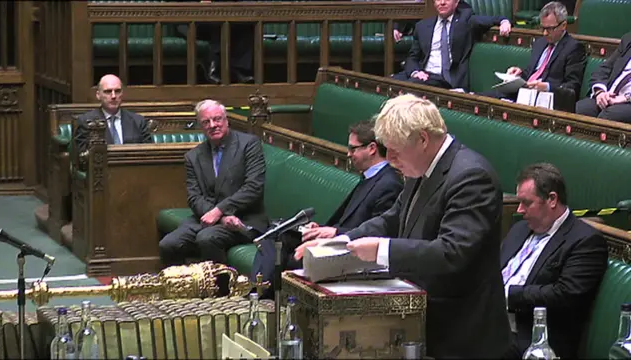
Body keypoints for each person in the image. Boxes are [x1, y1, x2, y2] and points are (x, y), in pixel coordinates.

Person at [295, 94, 510, 358]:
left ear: (422, 139)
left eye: (395, 150)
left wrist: (381, 250)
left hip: (463, 332)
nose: (390, 159)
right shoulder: (420, 167)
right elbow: (393, 217)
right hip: (423, 322)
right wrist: (339, 240)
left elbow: (452, 252)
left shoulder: (471, 177)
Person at [250, 120, 403, 296]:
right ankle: (259, 292)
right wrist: (322, 229)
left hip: (349, 251)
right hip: (338, 238)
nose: (348, 153)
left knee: (289, 254)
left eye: (353, 149)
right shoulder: (370, 177)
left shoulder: (389, 184)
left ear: (371, 148)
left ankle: (258, 295)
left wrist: (335, 232)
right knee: (277, 232)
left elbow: (377, 233)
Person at [159, 100, 269, 290]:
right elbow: (194, 197)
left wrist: (220, 211)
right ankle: (180, 290)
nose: (213, 125)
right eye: (206, 122)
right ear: (201, 126)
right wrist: (219, 217)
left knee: (207, 238)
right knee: (169, 244)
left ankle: (220, 293)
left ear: (226, 120)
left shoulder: (248, 145)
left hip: (244, 219)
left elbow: (253, 187)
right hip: (207, 218)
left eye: (217, 119)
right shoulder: (193, 156)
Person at [501, 163, 608, 359]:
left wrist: (507, 294)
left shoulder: (585, 241)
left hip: (531, 338)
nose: (519, 210)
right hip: (492, 322)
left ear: (551, 199)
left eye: (526, 203)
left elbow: (564, 294)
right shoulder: (520, 229)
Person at [392, 0, 512, 90]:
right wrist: (416, 72)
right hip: (423, 76)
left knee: (411, 88)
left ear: (456, 2)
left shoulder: (466, 20)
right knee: (388, 83)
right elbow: (413, 57)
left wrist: (504, 21)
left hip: (447, 80)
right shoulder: (423, 26)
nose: (442, 2)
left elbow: (492, 19)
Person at [482, 2, 586, 102]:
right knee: (482, 98)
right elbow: (531, 73)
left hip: (544, 99)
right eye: (543, 28)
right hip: (522, 93)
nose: (545, 33)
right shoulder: (539, 43)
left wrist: (546, 87)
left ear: (563, 25)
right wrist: (519, 74)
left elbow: (572, 86)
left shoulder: (574, 48)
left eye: (550, 29)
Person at [75, 74, 152, 153]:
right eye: (108, 91)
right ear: (98, 95)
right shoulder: (86, 122)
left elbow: (148, 153)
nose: (113, 96)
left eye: (117, 91)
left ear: (122, 94)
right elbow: (81, 155)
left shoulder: (138, 121)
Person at [576, 31, 631, 123]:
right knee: (583, 108)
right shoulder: (628, 40)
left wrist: (626, 98)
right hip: (610, 95)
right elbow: (604, 68)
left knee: (610, 115)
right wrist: (600, 92)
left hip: (627, 102)